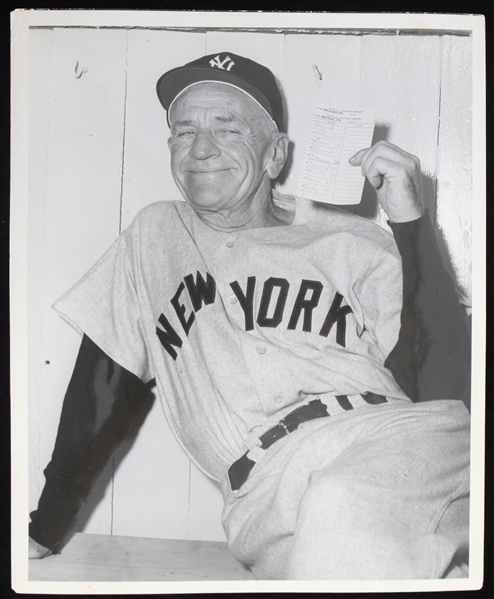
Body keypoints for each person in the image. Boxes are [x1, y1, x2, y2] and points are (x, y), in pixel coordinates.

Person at [28, 52, 471, 580]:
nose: (200, 148)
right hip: (265, 492)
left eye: (228, 127)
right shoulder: (155, 238)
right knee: (342, 529)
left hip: (398, 440)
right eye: (182, 130)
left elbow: (443, 385)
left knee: (345, 502)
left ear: (274, 154)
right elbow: (102, 385)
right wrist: (44, 526)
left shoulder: (351, 238)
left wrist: (408, 221)